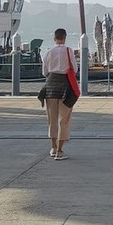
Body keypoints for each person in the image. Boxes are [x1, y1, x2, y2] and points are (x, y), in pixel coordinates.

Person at [40, 28, 77, 160]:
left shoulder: (48, 52)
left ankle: (53, 148)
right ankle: (60, 151)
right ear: (65, 38)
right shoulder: (68, 51)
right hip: (65, 87)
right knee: (64, 119)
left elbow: (44, 72)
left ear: (54, 38)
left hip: (50, 87)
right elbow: (74, 68)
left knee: (52, 119)